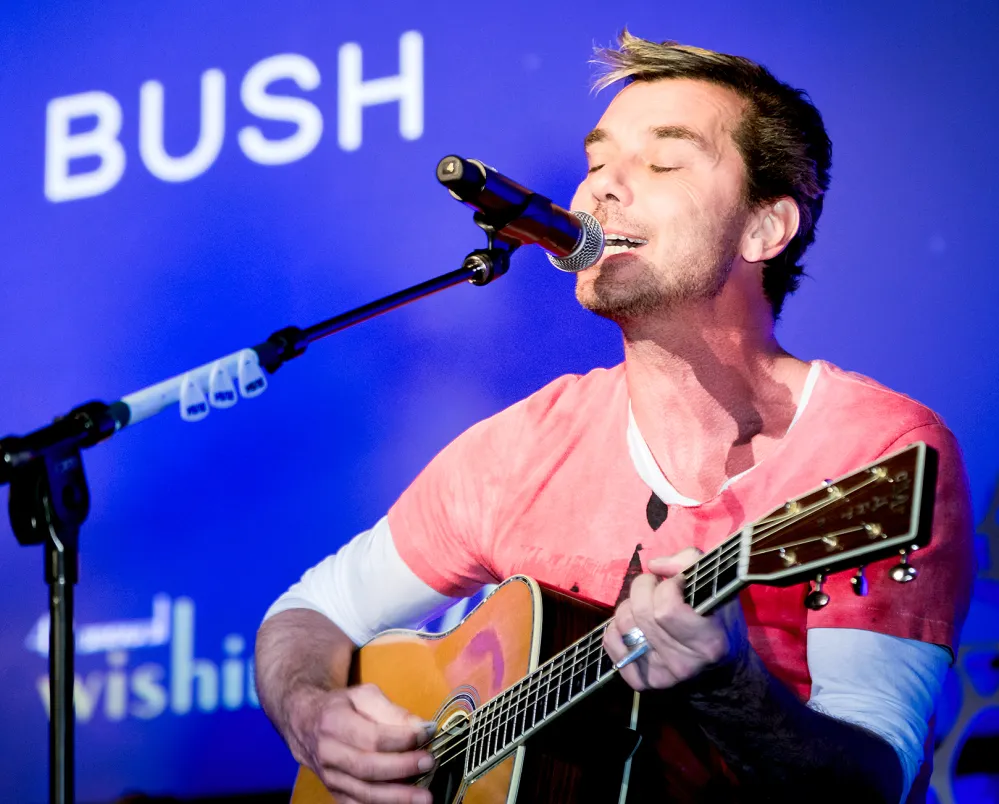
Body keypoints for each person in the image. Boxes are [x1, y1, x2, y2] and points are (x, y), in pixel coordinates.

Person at [254, 32, 974, 804]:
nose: (598, 189)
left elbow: (871, 786)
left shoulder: (876, 454)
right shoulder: (525, 446)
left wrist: (726, 683)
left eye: (662, 162)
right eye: (596, 164)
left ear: (764, 228)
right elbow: (307, 613)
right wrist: (312, 715)